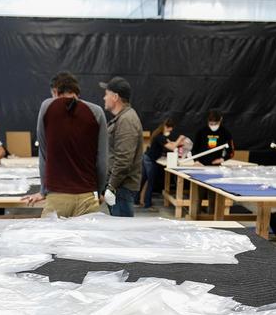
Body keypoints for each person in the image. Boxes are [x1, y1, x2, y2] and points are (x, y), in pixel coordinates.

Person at [23, 72, 108, 218]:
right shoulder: (97, 112)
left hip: (57, 198)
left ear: (55, 91)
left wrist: (43, 191)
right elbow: (102, 161)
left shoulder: (47, 107)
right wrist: (99, 191)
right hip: (87, 196)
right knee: (87, 240)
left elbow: (44, 155)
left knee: (53, 240)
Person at [101, 76, 143, 218]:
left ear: (115, 96)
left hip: (121, 188)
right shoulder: (122, 118)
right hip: (119, 187)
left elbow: (124, 159)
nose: (104, 98)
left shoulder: (127, 120)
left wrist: (111, 187)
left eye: (106, 94)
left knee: (123, 233)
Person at [143, 117, 187, 210]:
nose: (171, 130)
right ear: (167, 127)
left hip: (148, 158)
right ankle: (147, 204)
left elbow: (171, 144)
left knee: (144, 180)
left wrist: (177, 143)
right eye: (171, 128)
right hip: (150, 160)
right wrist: (180, 139)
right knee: (150, 182)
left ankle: (137, 200)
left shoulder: (161, 136)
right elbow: (171, 147)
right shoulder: (160, 137)